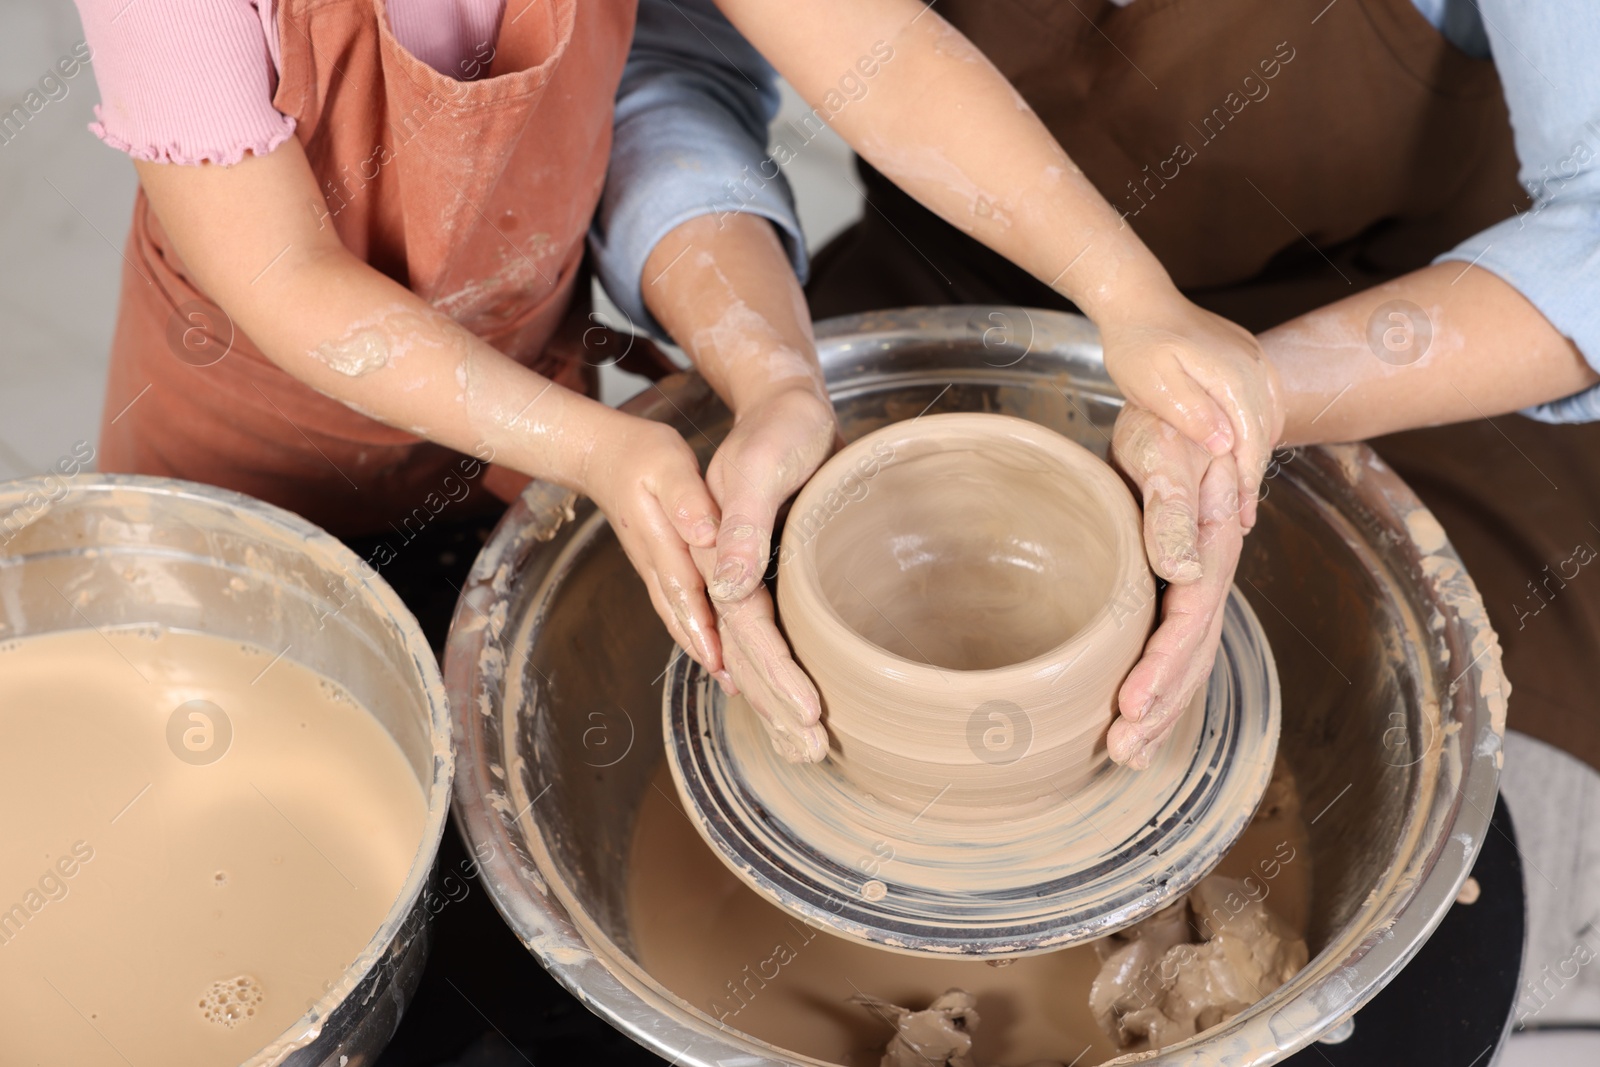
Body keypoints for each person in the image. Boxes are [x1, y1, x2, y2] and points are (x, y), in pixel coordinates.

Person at [77, 0, 1308, 767]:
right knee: (249, 742)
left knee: (483, 711)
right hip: (248, 426)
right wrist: (602, 450)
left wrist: (1128, 295)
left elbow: (878, 56)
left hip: (517, 390)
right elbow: (289, 282)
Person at [802, 0, 1600, 773]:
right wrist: (766, 372)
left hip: (1367, 346)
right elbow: (691, 63)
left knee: (1426, 740)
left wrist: (1238, 402)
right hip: (953, 293)